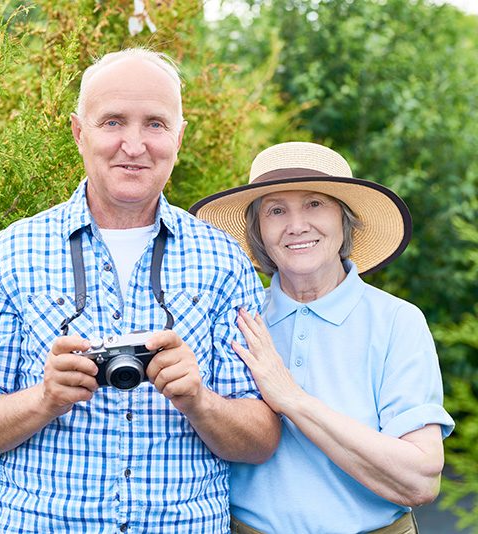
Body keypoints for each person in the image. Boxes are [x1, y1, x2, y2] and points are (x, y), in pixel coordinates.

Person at [0, 48, 281, 533]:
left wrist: (199, 399)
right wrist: (45, 398)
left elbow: (263, 439)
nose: (134, 145)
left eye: (155, 124)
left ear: (179, 138)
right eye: (113, 121)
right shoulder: (12, 251)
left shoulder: (225, 261)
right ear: (79, 132)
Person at [190, 141, 455, 534]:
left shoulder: (397, 321)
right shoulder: (236, 321)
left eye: (315, 204)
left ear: (345, 219)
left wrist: (292, 400)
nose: (296, 225)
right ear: (259, 231)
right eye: (276, 210)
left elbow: (419, 479)